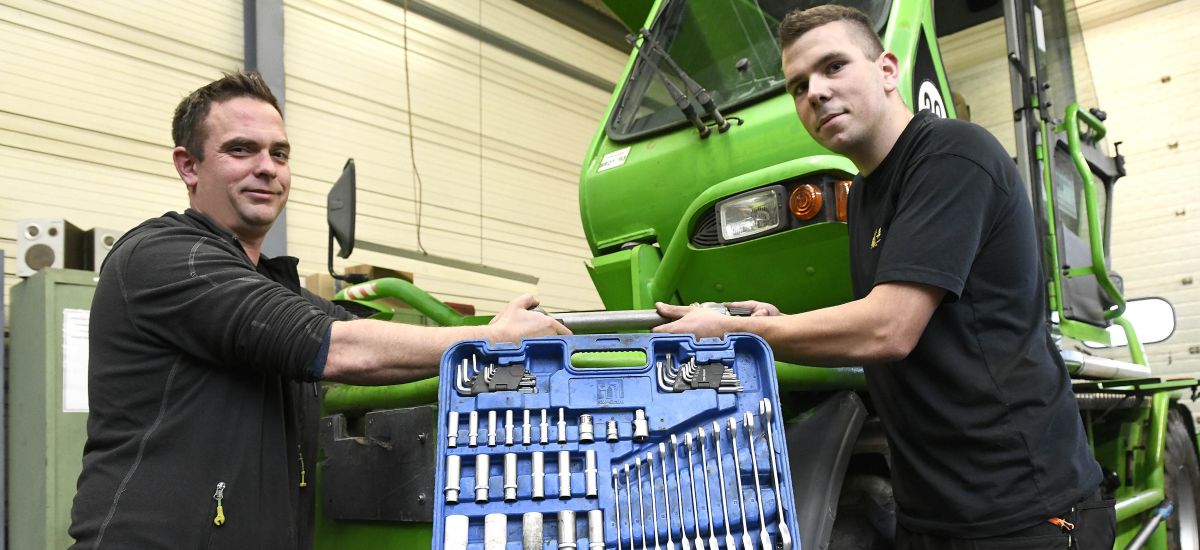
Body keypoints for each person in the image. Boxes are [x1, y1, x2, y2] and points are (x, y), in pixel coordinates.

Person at [654, 6, 1114, 550]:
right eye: (798, 86)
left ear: (888, 70)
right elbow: (887, 334)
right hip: (934, 517)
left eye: (833, 67)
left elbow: (889, 330)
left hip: (1021, 514)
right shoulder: (867, 194)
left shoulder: (953, 155)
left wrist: (740, 335)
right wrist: (778, 322)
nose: (815, 94)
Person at [68, 71, 570, 549]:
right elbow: (338, 347)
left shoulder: (277, 295)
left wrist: (530, 371)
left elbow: (400, 377)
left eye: (279, 153)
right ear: (189, 165)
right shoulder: (163, 258)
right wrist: (490, 339)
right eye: (240, 149)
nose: (266, 167)